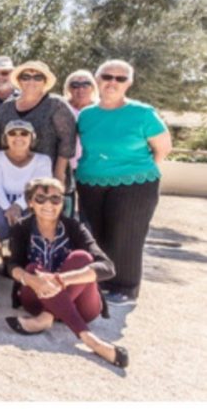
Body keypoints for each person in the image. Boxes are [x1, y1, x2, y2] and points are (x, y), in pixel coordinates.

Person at [5, 177, 127, 368]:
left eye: (55, 199)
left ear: (63, 202)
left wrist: (62, 279)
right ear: (30, 202)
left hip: (82, 306)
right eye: (41, 198)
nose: (48, 204)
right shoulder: (22, 227)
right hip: (36, 297)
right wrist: (29, 279)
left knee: (83, 258)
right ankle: (89, 339)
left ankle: (46, 318)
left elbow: (107, 267)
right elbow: (12, 265)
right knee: (32, 269)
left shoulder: (74, 227)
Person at [76, 60, 171, 303]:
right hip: (90, 182)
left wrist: (140, 173)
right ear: (97, 79)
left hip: (135, 183)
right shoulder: (87, 115)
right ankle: (99, 282)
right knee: (96, 234)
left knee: (126, 234)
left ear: (129, 83)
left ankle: (125, 287)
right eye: (107, 76)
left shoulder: (143, 113)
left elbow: (162, 148)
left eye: (120, 78)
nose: (112, 82)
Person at [0, 61, 76, 186]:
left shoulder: (56, 104)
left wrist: (59, 174)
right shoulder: (6, 107)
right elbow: (2, 141)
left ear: (45, 82)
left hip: (49, 174)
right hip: (13, 174)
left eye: (38, 77)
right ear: (19, 81)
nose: (31, 81)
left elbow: (67, 141)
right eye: (25, 77)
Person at [0, 120, 52, 240]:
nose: (18, 137)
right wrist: (9, 209)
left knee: (38, 221)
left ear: (32, 138)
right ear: (5, 138)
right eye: (12, 133)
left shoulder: (43, 160)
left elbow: (38, 189)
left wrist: (18, 206)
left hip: (31, 204)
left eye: (24, 133)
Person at [62, 69, 99, 171]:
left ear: (93, 87)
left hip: (93, 165)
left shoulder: (100, 109)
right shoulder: (60, 107)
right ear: (68, 88)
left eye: (86, 84)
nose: (80, 89)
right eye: (75, 85)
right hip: (64, 164)